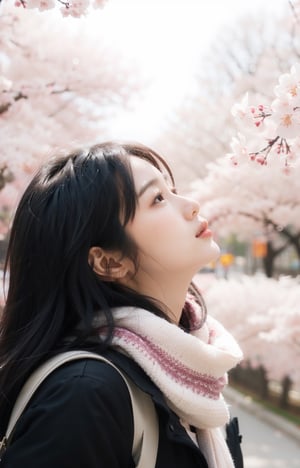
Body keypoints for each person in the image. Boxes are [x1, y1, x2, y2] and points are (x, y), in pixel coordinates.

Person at [0, 141, 243, 467]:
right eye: (157, 199)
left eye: (172, 191)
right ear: (108, 262)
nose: (192, 205)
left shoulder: (193, 372)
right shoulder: (84, 396)